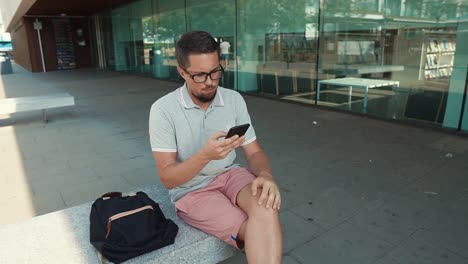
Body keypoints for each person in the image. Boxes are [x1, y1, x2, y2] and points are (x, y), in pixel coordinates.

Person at [149, 31, 282, 263]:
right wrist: (205, 155)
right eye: (200, 75)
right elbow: (168, 178)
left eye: (215, 72)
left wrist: (266, 175)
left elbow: (254, 152)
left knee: (266, 208)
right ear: (182, 72)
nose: (210, 81)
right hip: (192, 190)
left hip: (231, 175)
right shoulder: (163, 110)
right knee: (256, 228)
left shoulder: (233, 99)